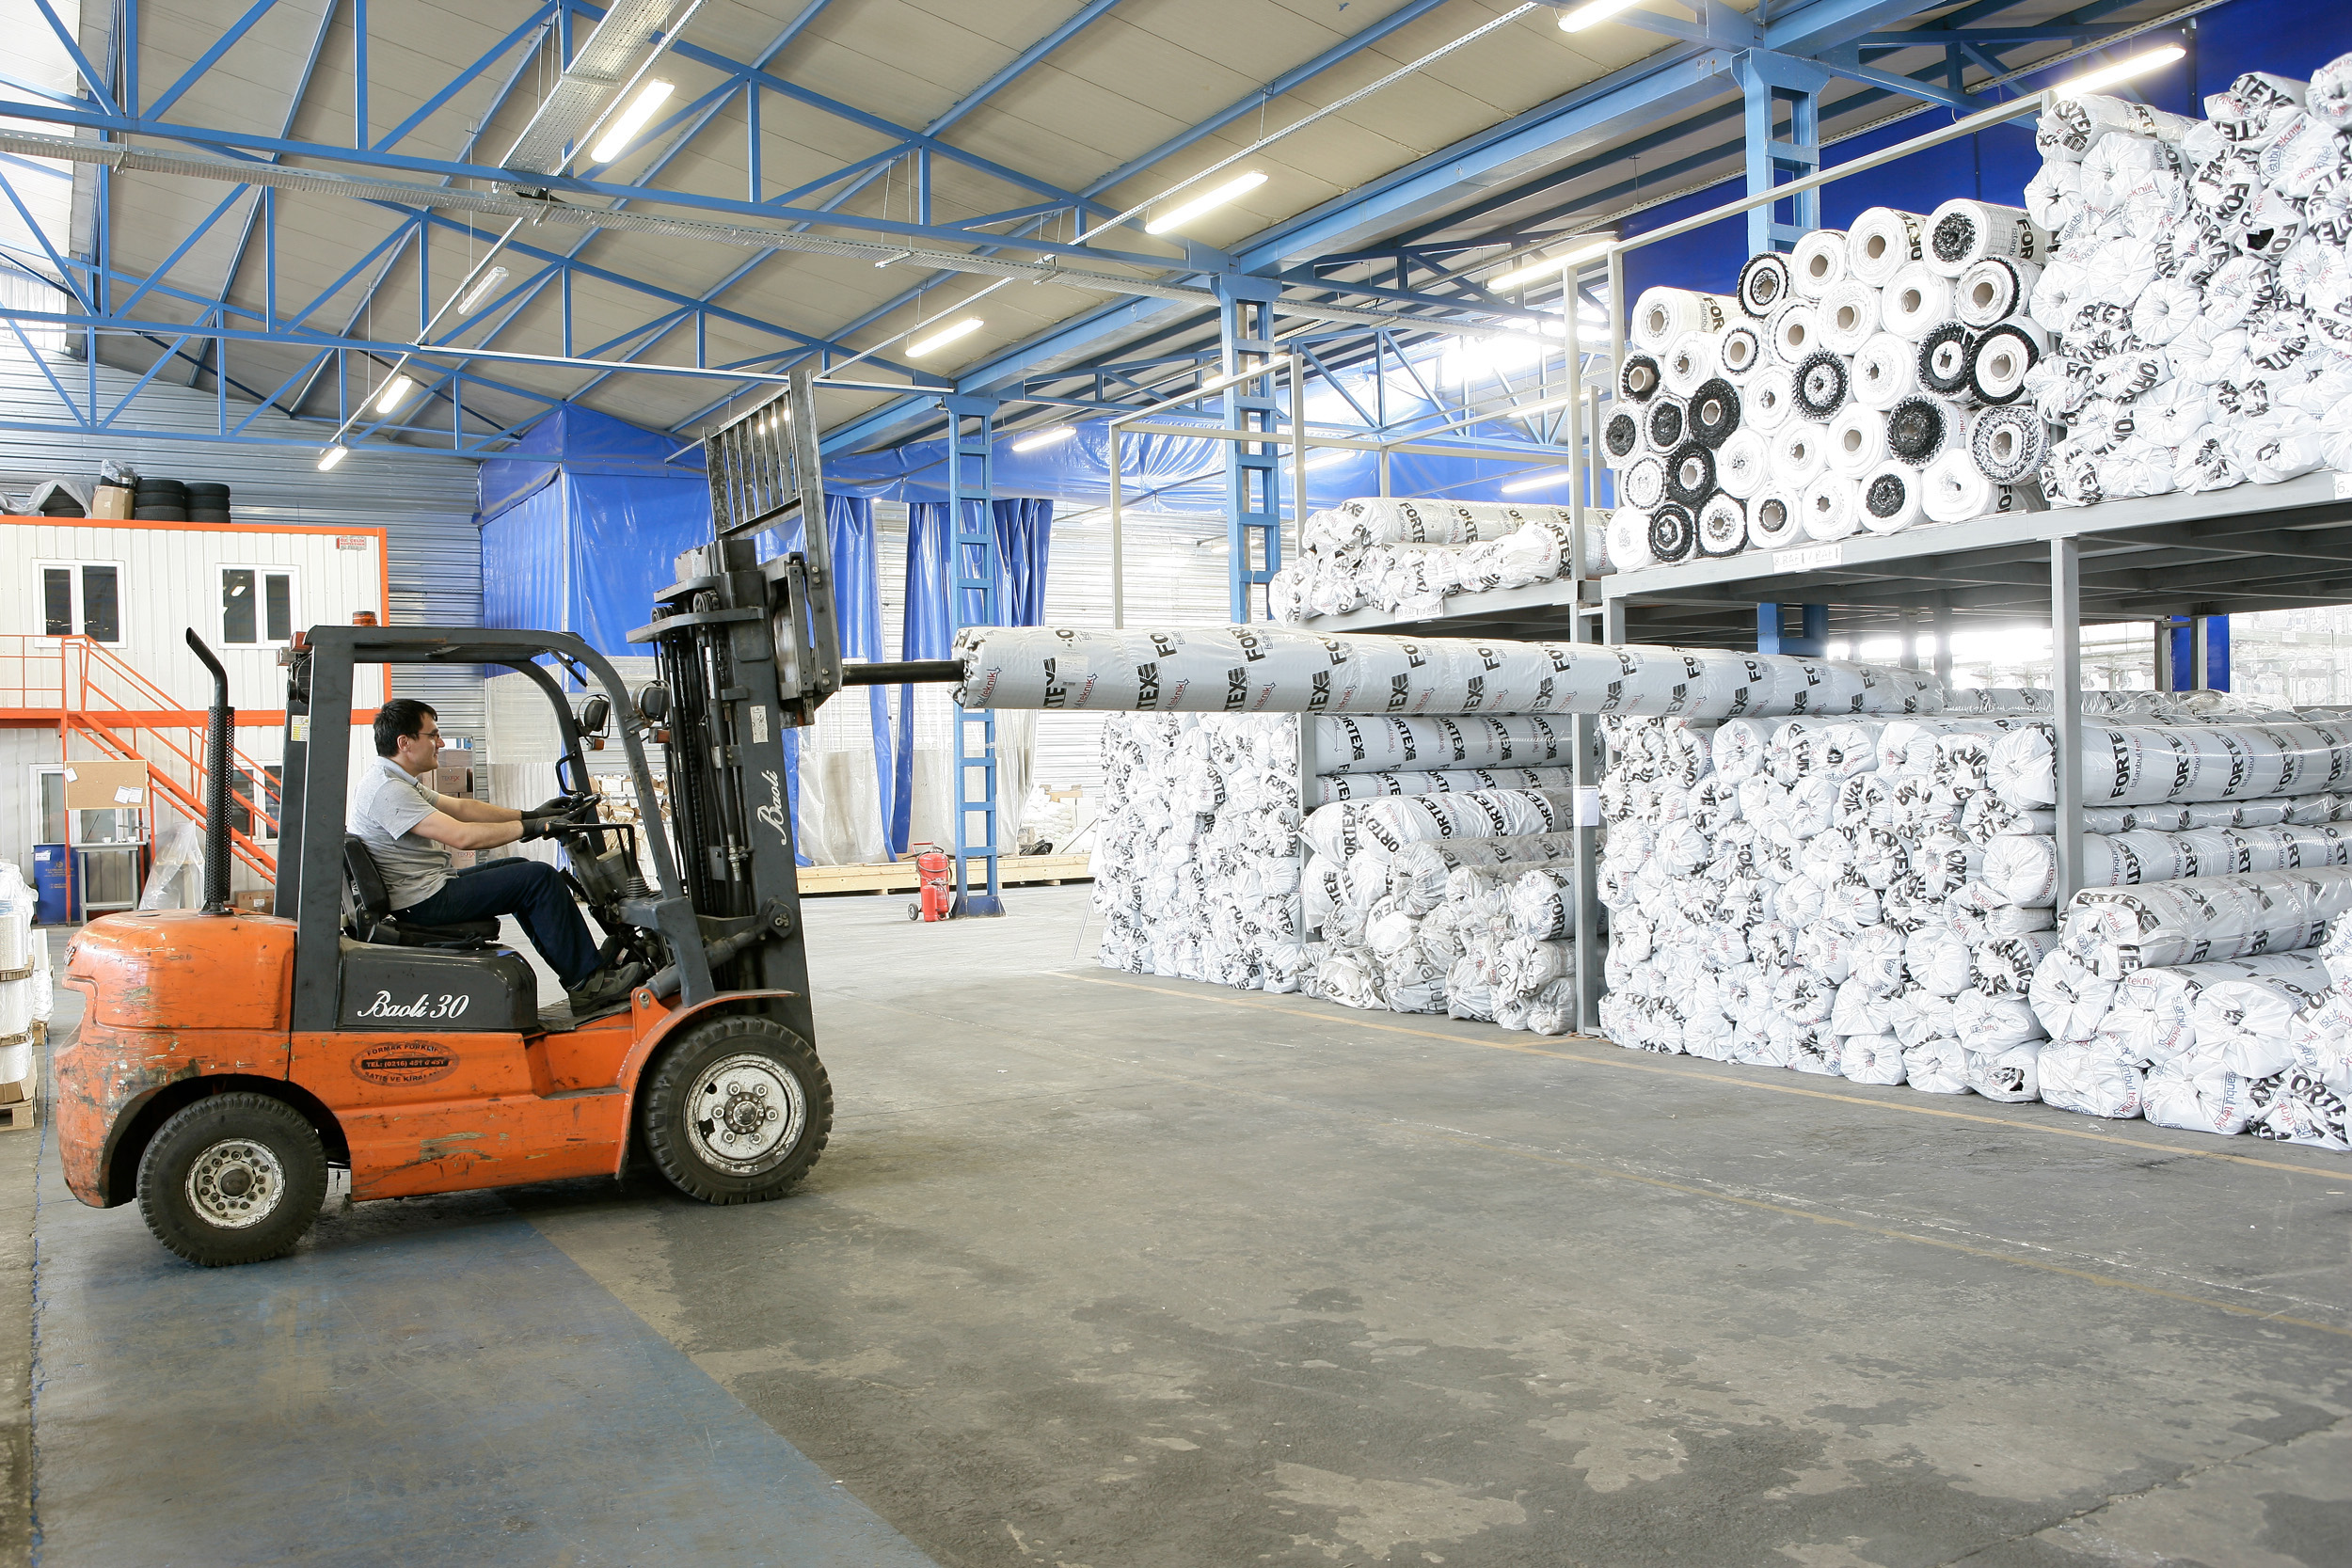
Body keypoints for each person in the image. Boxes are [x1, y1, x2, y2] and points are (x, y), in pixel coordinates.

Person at [349, 698, 645, 1018]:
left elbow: (462, 808)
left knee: (520, 869)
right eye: (432, 735)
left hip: (422, 891)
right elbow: (462, 836)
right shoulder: (389, 790)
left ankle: (584, 969)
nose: (441, 742)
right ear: (404, 742)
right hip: (422, 901)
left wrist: (532, 814)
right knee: (538, 879)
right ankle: (586, 983)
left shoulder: (394, 780)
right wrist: (534, 827)